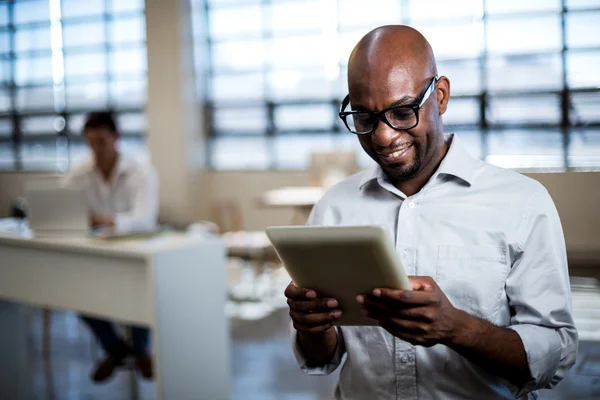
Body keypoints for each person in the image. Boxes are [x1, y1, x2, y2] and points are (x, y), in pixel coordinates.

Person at [284, 25, 578, 400]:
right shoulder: (334, 209)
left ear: (439, 96)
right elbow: (325, 356)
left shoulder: (522, 204)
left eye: (403, 112)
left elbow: (556, 353)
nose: (383, 136)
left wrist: (457, 328)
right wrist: (313, 327)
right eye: (364, 117)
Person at [63, 111, 158, 383]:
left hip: (135, 253)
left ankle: (139, 350)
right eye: (90, 141)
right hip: (96, 252)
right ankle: (117, 350)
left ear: (117, 138)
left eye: (101, 141)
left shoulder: (140, 170)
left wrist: (103, 220)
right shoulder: (81, 170)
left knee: (138, 293)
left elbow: (145, 219)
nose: (95, 148)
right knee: (74, 293)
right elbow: (61, 202)